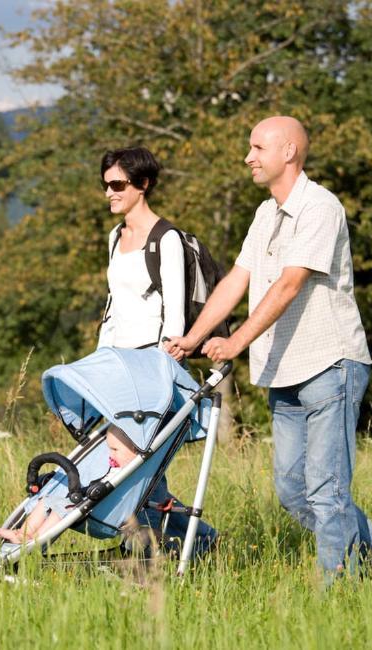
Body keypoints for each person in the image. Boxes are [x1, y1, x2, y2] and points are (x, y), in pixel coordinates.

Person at [164, 115, 372, 581]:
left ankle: (337, 593)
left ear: (288, 152)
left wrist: (235, 341)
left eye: (257, 147)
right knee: (294, 490)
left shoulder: (319, 207)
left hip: (329, 363)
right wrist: (193, 338)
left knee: (326, 491)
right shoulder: (265, 213)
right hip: (284, 370)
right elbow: (237, 279)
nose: (248, 157)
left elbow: (291, 284)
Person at [97, 146, 218, 556]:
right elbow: (113, 305)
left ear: (142, 184)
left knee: (141, 469)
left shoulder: (165, 239)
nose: (109, 193)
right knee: (140, 469)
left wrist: (163, 368)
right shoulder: (115, 237)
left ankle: (158, 549)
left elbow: (174, 317)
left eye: (117, 184)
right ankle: (194, 540)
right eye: (106, 184)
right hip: (117, 366)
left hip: (150, 367)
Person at [0, 425, 137, 544]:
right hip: (86, 503)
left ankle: (35, 539)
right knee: (46, 500)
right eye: (109, 449)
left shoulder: (132, 471)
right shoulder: (116, 467)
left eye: (115, 450)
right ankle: (23, 533)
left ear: (135, 449)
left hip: (101, 515)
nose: (110, 455)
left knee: (61, 508)